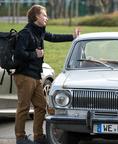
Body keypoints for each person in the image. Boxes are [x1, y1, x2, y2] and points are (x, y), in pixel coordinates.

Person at [14, 5, 80, 144]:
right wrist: (35, 54)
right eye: (44, 15)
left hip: (35, 76)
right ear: (36, 16)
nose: (46, 18)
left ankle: (38, 136)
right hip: (24, 75)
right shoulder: (26, 33)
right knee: (23, 107)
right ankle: (20, 138)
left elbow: (54, 37)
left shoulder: (40, 32)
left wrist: (73, 37)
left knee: (41, 106)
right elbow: (18, 54)